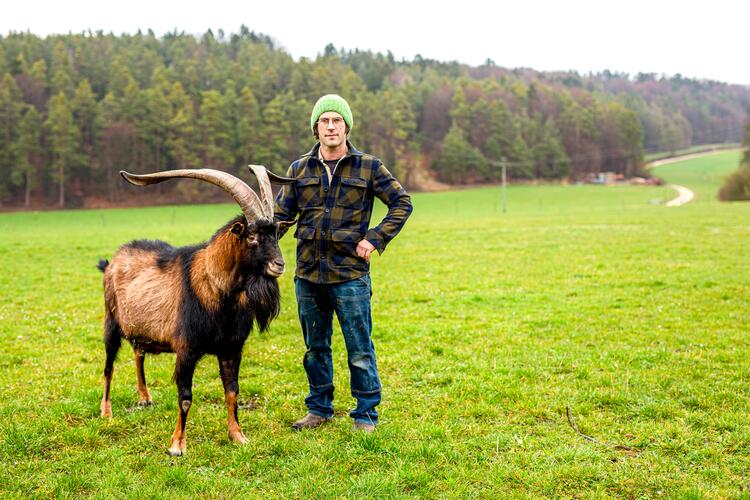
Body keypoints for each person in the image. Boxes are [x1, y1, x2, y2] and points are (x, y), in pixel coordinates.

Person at [274, 94, 413, 432]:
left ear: (346, 127)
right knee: (315, 349)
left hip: (349, 274)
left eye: (337, 121)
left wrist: (375, 238)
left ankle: (365, 414)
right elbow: (280, 217)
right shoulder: (298, 169)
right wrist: (257, 238)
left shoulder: (369, 166)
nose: (331, 127)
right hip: (308, 274)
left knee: (359, 348)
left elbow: (401, 202)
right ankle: (319, 408)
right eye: (325, 121)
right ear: (316, 128)